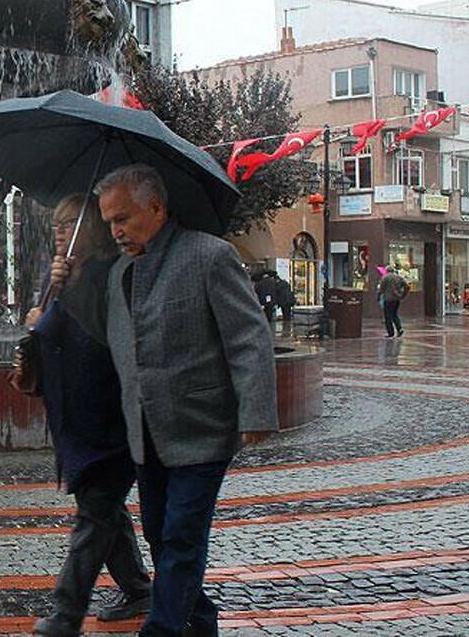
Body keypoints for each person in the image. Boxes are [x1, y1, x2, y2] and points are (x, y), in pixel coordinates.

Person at [54, 164, 278, 637]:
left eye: (122, 218)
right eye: (109, 222)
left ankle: (162, 629)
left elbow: (248, 337)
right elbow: (109, 334)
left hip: (201, 428)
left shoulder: (209, 256)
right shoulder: (121, 271)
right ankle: (202, 623)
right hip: (145, 433)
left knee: (180, 536)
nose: (115, 231)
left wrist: (256, 411)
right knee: (161, 536)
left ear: (155, 207)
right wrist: (70, 287)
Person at [25, 194, 152, 637]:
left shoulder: (113, 273)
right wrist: (40, 312)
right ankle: (138, 588)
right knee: (103, 510)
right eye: (56, 224)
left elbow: (102, 332)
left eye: (70, 223)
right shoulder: (59, 275)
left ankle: (65, 614)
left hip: (110, 418)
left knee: (95, 514)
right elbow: (45, 331)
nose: (60, 231)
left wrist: (61, 297)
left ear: (93, 228)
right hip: (73, 419)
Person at [378, 265, 409, 338]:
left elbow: (381, 289)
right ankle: (399, 329)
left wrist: (378, 296)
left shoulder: (385, 278)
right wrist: (402, 295)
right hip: (396, 299)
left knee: (388, 316)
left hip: (388, 299)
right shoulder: (398, 277)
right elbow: (407, 286)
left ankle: (390, 333)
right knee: (395, 314)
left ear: (387, 271)